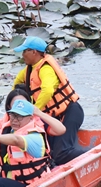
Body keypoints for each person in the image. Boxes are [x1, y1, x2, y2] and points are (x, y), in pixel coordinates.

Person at [13, 36, 86, 165]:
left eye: (25, 51)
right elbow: (16, 88)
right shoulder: (28, 71)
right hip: (53, 118)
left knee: (62, 154)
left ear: (34, 52)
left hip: (70, 112)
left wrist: (33, 110)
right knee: (49, 152)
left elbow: (47, 91)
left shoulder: (46, 69)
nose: (22, 55)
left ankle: (96, 154)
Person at [0, 100, 58, 187]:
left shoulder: (35, 136)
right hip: (14, 185)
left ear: (30, 118)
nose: (15, 120)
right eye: (13, 115)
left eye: (20, 117)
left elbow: (17, 140)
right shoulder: (8, 132)